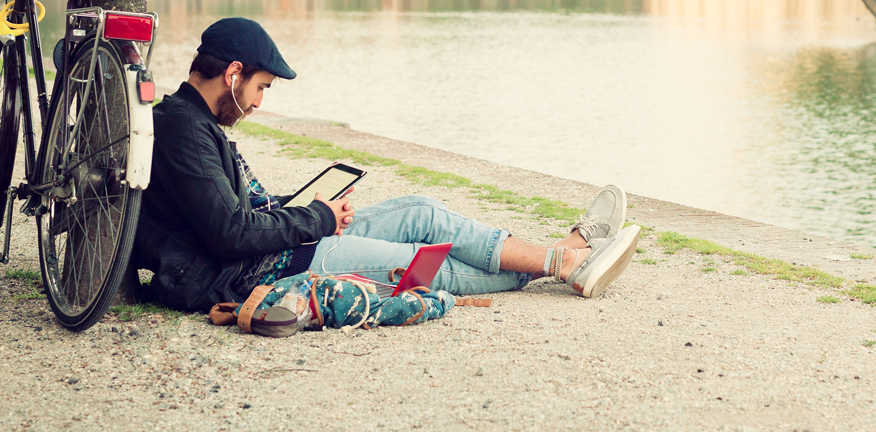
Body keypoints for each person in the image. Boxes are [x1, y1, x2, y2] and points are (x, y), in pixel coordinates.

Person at [134, 17, 641, 313]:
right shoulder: (183, 130)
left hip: (277, 245)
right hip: (252, 271)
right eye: (261, 88)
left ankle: (563, 256)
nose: (260, 102)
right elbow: (228, 234)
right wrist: (317, 218)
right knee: (426, 263)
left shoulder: (194, 125)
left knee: (422, 210)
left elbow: (238, 214)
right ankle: (565, 260)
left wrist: (309, 211)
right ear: (233, 73)